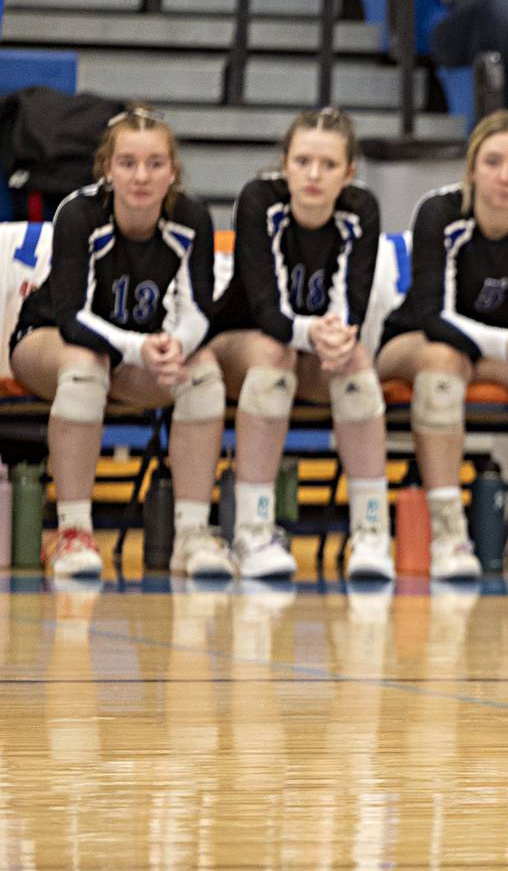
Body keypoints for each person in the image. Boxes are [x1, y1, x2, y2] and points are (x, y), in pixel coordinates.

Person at [9, 105, 232, 579]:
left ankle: (191, 535)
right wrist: (140, 348)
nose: (141, 176)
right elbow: (72, 318)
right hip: (48, 340)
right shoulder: (80, 213)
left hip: (133, 354)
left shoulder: (191, 218)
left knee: (203, 374)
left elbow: (198, 310)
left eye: (155, 163)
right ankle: (73, 533)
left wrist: (177, 346)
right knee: (85, 368)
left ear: (172, 171)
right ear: (107, 169)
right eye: (128, 163)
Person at [376, 110, 508, 580]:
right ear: (472, 168)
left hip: (491, 350)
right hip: (413, 342)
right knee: (444, 361)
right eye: (493, 162)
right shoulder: (440, 212)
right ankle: (449, 535)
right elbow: (432, 314)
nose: (505, 176)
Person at [209, 107, 392, 580]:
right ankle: (254, 528)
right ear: (284, 164)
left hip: (307, 348)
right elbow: (267, 310)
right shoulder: (259, 201)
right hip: (237, 343)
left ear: (348, 173)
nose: (314, 175)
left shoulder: (360, 210)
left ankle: (371, 531)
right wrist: (316, 333)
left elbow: (351, 302)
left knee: (357, 359)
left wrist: (337, 335)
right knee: (275, 354)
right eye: (303, 161)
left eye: (329, 165)